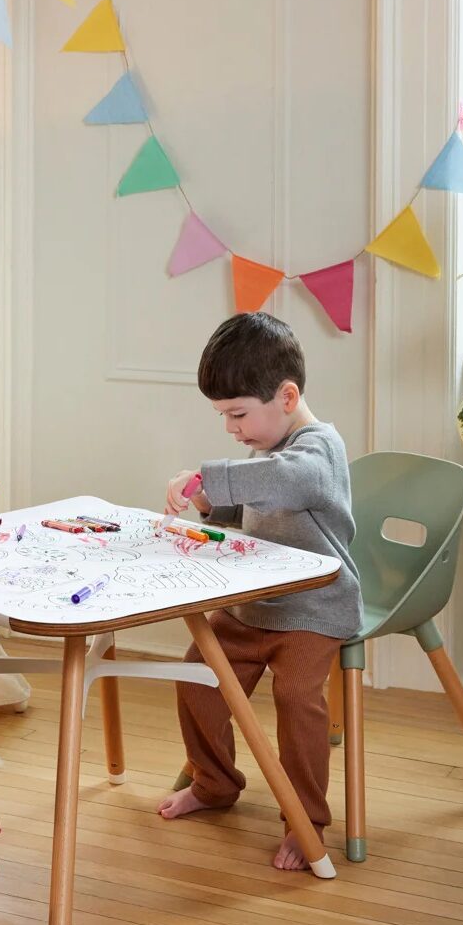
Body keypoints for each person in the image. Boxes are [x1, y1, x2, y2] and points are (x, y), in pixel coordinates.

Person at [157, 312, 362, 871]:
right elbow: (248, 510)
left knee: (297, 701)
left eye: (238, 414)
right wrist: (208, 504)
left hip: (314, 609)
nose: (232, 428)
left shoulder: (317, 449)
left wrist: (206, 473)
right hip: (254, 607)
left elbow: (288, 482)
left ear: (287, 395)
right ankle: (215, 783)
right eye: (224, 416)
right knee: (198, 677)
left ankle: (305, 818)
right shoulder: (264, 450)